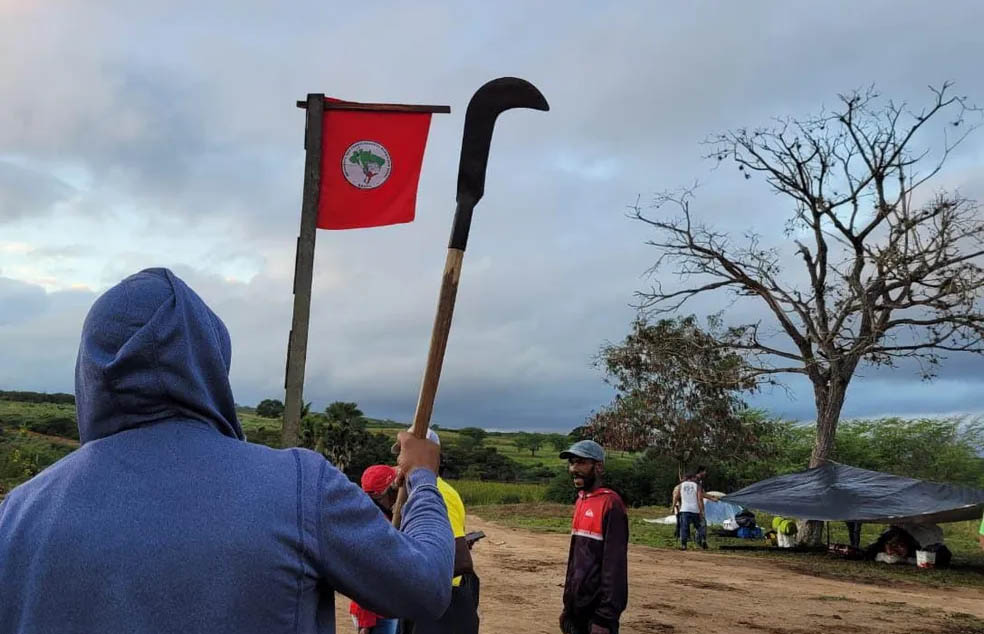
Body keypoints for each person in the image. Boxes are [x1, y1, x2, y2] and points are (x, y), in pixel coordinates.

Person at [0, 268, 454, 634]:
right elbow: (425, 586)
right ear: (212, 367)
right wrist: (421, 479)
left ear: (90, 372)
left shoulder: (17, 514)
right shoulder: (298, 487)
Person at [399, 428, 480, 634]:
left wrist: (411, 577)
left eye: (406, 451)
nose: (400, 458)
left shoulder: (438, 493)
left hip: (444, 601)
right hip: (424, 597)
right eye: (401, 451)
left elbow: (461, 560)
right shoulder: (414, 491)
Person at [558, 440, 628, 634]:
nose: (573, 469)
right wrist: (568, 607)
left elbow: (614, 566)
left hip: (597, 614)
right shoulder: (581, 500)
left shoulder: (611, 504)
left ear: (598, 467)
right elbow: (575, 560)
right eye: (572, 463)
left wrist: (604, 618)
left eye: (581, 463)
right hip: (576, 609)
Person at [349, 465, 403, 634]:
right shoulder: (374, 526)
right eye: (395, 489)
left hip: (386, 606)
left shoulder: (379, 516)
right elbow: (363, 573)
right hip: (375, 613)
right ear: (383, 494)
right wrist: (366, 620)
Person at [673, 472, 707, 550]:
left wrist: (673, 507)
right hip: (695, 510)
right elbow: (699, 499)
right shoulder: (697, 486)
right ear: (691, 478)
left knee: (684, 527)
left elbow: (676, 497)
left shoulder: (680, 486)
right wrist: (701, 511)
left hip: (684, 510)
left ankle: (684, 545)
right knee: (699, 527)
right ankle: (702, 540)